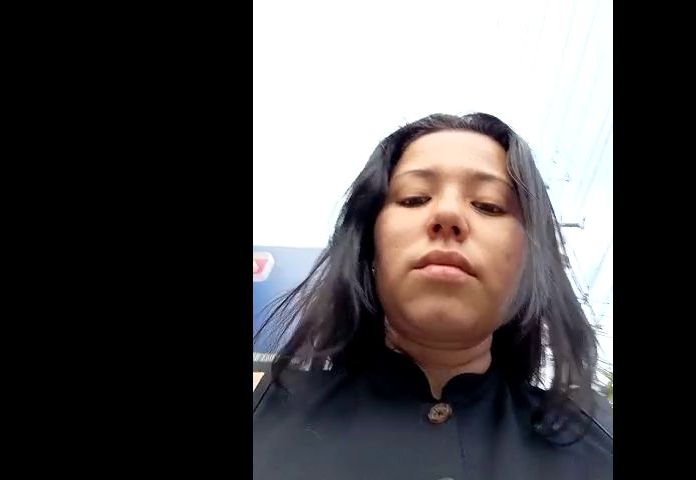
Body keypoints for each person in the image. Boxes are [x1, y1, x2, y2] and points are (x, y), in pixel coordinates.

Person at [253, 113, 613, 479]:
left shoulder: (598, 440)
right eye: (414, 198)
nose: (448, 213)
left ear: (529, 262)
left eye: (488, 205)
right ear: (370, 247)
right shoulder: (262, 409)